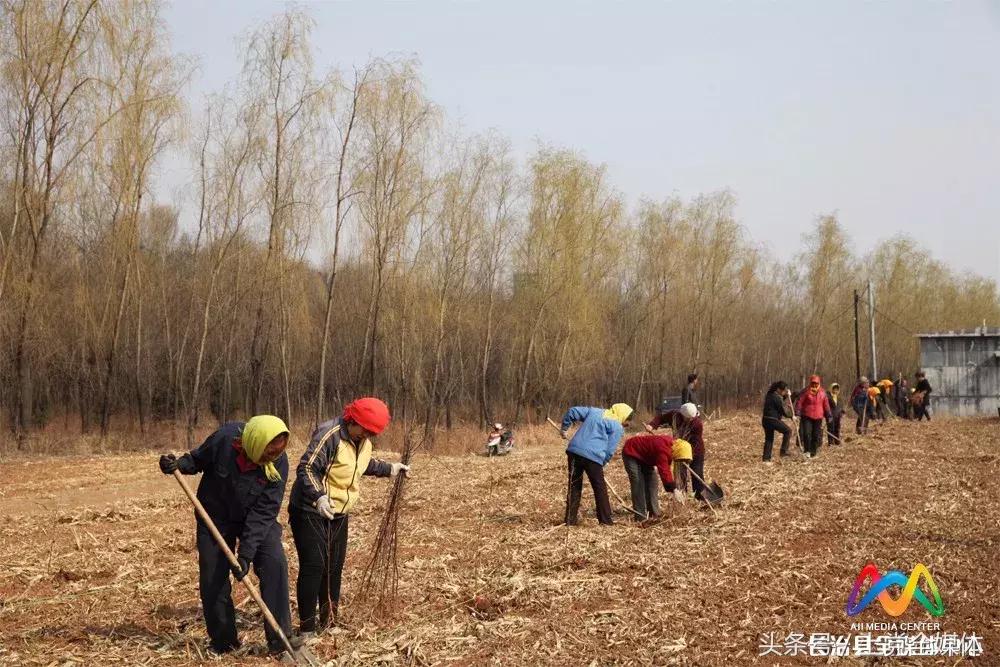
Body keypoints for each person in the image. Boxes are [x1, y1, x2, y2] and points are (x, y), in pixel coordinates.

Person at [158, 415, 294, 656]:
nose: (270, 460)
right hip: (215, 517)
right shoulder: (224, 439)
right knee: (213, 578)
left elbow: (264, 512)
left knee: (274, 563)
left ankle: (280, 641)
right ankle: (224, 642)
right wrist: (177, 465)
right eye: (266, 454)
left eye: (275, 455)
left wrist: (245, 555)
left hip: (255, 518)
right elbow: (198, 459)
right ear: (254, 443)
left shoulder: (279, 464)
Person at [288, 398, 409, 634]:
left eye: (371, 433)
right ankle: (307, 629)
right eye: (365, 430)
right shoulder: (330, 434)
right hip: (310, 509)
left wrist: (390, 469)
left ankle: (329, 621)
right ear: (352, 421)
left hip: (339, 512)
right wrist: (319, 496)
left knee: (334, 567)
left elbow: (361, 464)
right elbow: (307, 468)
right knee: (314, 565)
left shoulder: (360, 440)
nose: (367, 436)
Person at [560, 403, 634, 526]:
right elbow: (610, 450)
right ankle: (605, 521)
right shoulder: (616, 427)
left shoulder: (594, 412)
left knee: (574, 486)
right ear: (623, 416)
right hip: (593, 458)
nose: (627, 423)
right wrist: (602, 462)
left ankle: (570, 520)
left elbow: (572, 411)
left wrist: (564, 428)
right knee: (599, 488)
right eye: (627, 420)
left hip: (574, 452)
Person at [620, 434, 691, 520]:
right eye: (680, 458)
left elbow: (666, 468)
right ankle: (640, 516)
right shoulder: (663, 450)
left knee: (652, 481)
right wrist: (674, 489)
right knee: (638, 482)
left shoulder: (672, 446)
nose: (678, 460)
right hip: (631, 452)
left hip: (645, 457)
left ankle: (654, 513)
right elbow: (664, 470)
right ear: (679, 451)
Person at [646, 402, 706, 500]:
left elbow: (694, 442)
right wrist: (652, 425)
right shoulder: (674, 416)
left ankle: (700, 496)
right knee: (680, 474)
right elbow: (660, 418)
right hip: (679, 450)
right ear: (682, 415)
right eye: (688, 418)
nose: (690, 419)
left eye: (692, 418)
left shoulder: (697, 424)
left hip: (696, 450)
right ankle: (682, 495)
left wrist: (687, 455)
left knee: (697, 474)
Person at [795, 375, 832, 459]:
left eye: (816, 383)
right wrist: (797, 412)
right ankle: (807, 451)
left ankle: (813, 452)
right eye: (813, 383)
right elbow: (800, 402)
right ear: (810, 383)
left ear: (819, 383)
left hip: (818, 417)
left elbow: (826, 405)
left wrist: (829, 415)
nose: (814, 385)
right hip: (807, 416)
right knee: (807, 434)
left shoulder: (823, 392)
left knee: (816, 435)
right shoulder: (806, 391)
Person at [761, 381, 793, 462]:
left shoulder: (770, 394)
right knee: (788, 431)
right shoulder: (776, 397)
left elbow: (781, 399)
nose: (784, 392)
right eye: (783, 390)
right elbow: (784, 411)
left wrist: (788, 395)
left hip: (765, 420)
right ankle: (783, 451)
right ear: (778, 389)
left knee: (769, 439)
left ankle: (766, 459)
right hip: (773, 420)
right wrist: (792, 416)